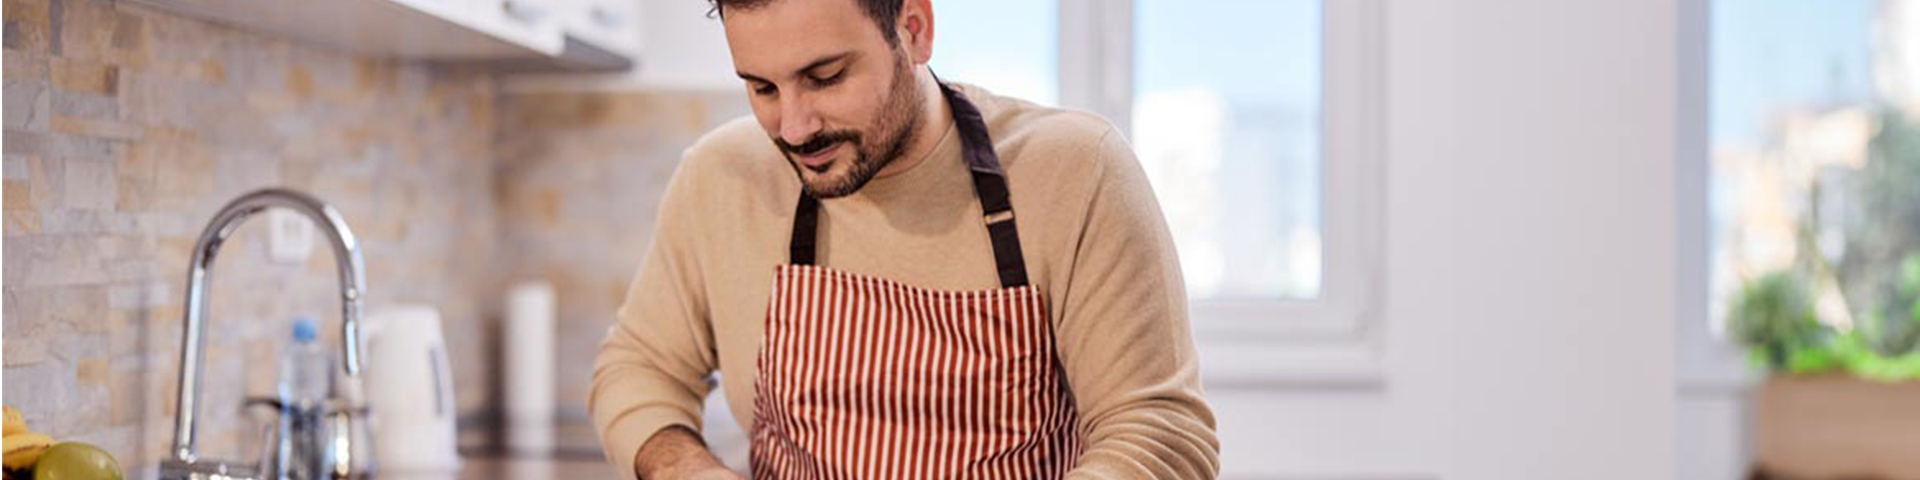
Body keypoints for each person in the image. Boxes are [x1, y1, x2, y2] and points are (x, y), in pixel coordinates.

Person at [588, 0, 1219, 478]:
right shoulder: (721, 177)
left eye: (826, 77)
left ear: (913, 28)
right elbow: (638, 368)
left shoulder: (1077, 169)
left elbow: (1159, 431)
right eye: (761, 88)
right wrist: (686, 469)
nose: (795, 126)